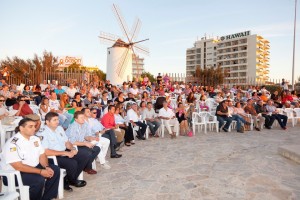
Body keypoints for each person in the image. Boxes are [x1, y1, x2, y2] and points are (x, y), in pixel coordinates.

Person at [1, 118, 60, 200]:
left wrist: (46, 166)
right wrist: (40, 171)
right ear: (21, 128)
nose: (34, 129)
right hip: (15, 173)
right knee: (38, 180)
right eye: (30, 126)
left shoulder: (35, 139)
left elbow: (42, 155)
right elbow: (18, 166)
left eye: (34, 126)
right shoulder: (12, 144)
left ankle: (47, 198)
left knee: (55, 170)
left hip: (33, 167)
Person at [38, 112, 88, 192]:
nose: (57, 121)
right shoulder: (43, 132)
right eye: (54, 120)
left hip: (64, 151)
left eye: (58, 119)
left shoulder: (59, 128)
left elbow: (67, 142)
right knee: (72, 163)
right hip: (52, 157)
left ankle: (70, 178)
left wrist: (72, 149)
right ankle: (71, 181)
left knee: (85, 155)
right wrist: (65, 153)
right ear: (47, 122)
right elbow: (46, 152)